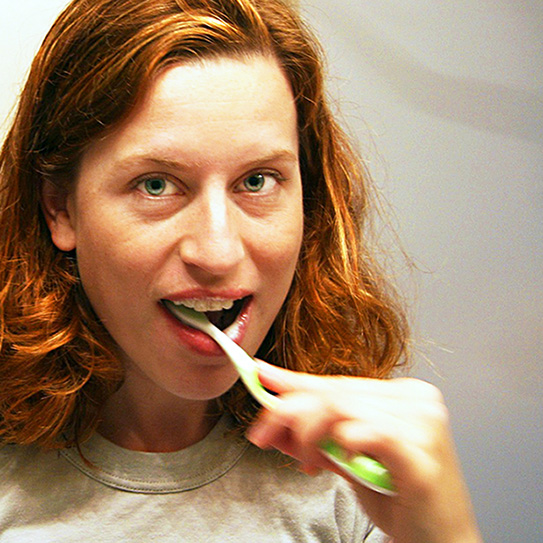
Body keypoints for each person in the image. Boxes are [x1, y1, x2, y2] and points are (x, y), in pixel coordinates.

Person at [0, 0, 482, 541]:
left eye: (257, 181)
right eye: (156, 184)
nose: (219, 251)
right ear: (60, 209)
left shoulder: (359, 491)